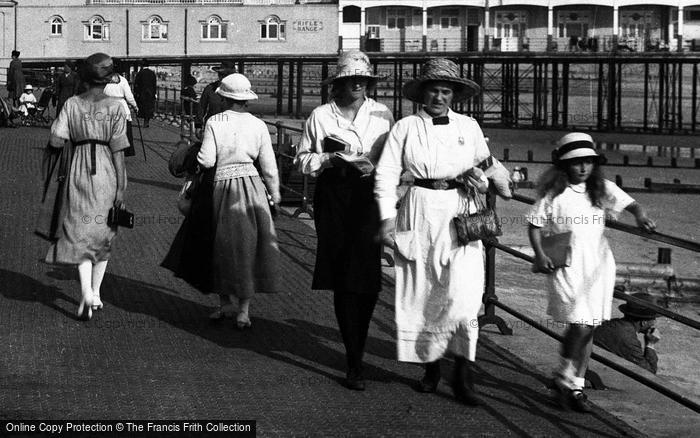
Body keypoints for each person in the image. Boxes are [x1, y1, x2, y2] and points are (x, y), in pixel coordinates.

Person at [375, 57, 492, 406]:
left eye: (445, 91)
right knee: (426, 292)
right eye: (433, 91)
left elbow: (484, 170)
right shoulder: (405, 128)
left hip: (460, 211)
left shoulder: (469, 126)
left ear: (454, 94)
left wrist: (480, 180)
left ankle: (464, 371)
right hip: (421, 209)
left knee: (465, 294)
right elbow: (385, 176)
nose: (439, 98)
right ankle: (430, 366)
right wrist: (386, 219)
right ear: (422, 94)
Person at [527, 132, 656, 412]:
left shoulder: (601, 188)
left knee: (591, 326)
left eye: (588, 162)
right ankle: (563, 374)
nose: (584, 168)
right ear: (563, 165)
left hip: (598, 265)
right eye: (576, 163)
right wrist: (539, 254)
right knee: (580, 323)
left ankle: (575, 387)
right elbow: (534, 225)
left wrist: (640, 215)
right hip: (566, 264)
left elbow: (631, 203)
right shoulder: (554, 194)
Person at [295, 50, 394, 391]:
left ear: (368, 83)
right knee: (342, 274)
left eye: (363, 80)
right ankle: (354, 358)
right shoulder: (321, 116)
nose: (357, 85)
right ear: (338, 82)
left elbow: (392, 158)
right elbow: (302, 159)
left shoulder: (383, 114)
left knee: (366, 275)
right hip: (334, 195)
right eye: (351, 79)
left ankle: (359, 344)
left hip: (370, 196)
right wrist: (329, 159)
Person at [39, 52, 129, 321]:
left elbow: (56, 140)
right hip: (107, 171)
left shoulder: (72, 104)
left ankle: (86, 294)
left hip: (77, 169)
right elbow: (120, 151)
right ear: (108, 80)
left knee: (78, 230)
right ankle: (97, 293)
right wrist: (121, 187)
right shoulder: (115, 107)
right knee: (103, 230)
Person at [196, 73, 281, 329]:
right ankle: (244, 311)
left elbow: (207, 160)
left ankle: (225, 304)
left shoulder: (214, 121)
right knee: (248, 246)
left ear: (222, 97)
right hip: (252, 186)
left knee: (220, 245)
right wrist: (275, 196)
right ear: (246, 99)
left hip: (222, 187)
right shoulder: (258, 125)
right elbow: (269, 167)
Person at [594, 293, 660, 374]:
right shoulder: (629, 340)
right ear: (644, 322)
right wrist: (650, 345)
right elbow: (649, 373)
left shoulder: (611, 324)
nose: (654, 323)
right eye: (653, 319)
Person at [104, 69, 139, 157]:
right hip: (121, 106)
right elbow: (129, 96)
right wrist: (135, 106)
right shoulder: (122, 80)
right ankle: (122, 151)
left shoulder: (103, 80)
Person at [197, 61, 236, 128]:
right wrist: (198, 124)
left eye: (225, 75)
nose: (222, 77)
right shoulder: (210, 88)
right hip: (212, 126)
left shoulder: (237, 90)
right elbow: (202, 107)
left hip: (230, 127)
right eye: (220, 74)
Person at [134, 59, 157, 127]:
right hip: (150, 93)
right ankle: (147, 121)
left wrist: (136, 93)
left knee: (142, 107)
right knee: (149, 107)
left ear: (142, 65)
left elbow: (136, 84)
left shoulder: (140, 73)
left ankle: (144, 120)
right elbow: (154, 84)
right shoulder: (152, 73)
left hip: (142, 93)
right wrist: (155, 93)